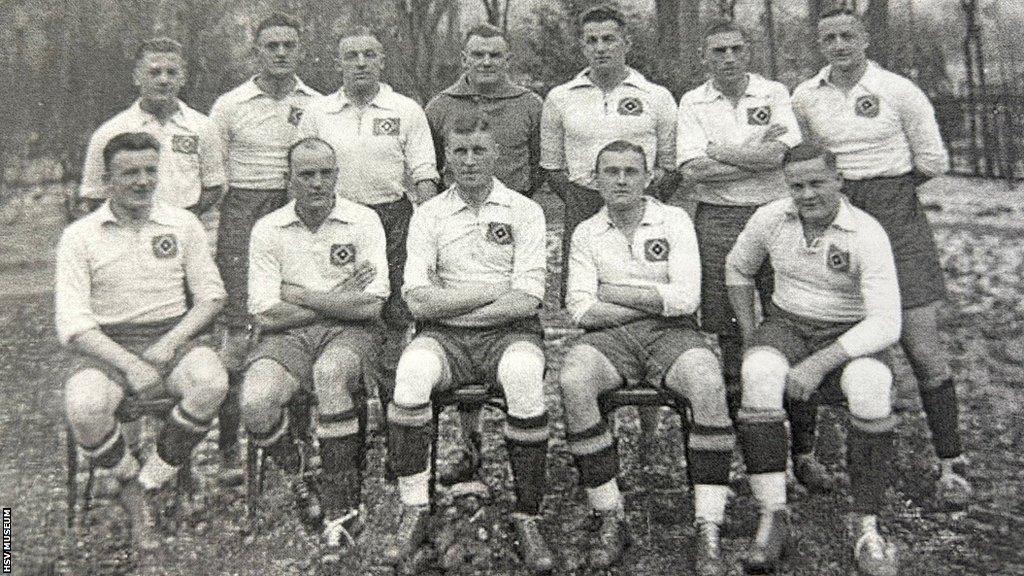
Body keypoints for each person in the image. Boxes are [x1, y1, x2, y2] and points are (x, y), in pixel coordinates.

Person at [792, 7, 971, 509]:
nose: (840, 45)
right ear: (819, 44)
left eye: (848, 35)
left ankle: (951, 464)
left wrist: (886, 196)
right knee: (821, 326)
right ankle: (809, 454)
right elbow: (805, 157)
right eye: (829, 38)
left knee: (920, 346)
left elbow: (934, 160)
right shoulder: (806, 96)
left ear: (865, 38)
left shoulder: (898, 89)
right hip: (837, 218)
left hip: (899, 221)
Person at [382, 113, 553, 572]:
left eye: (480, 151)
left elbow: (530, 297)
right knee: (412, 374)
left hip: (509, 334)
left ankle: (528, 513)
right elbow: (417, 300)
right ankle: (415, 508)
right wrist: (493, 291)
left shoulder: (525, 211)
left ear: (496, 154)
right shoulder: (430, 215)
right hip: (445, 337)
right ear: (446, 158)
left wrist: (451, 301)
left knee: (522, 376)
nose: (470, 161)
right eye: (460, 151)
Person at [559, 140, 735, 575]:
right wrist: (651, 298)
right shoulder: (586, 231)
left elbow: (686, 298)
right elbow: (580, 308)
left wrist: (615, 291)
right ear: (595, 179)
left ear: (648, 176)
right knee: (574, 380)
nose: (621, 179)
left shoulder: (673, 219)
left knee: (708, 382)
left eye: (631, 171)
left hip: (672, 335)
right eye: (611, 171)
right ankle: (609, 514)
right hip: (610, 337)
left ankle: (709, 522)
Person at [727, 143, 902, 576]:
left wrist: (818, 363)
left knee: (869, 385)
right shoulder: (771, 217)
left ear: (838, 180)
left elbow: (886, 323)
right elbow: (737, 267)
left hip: (849, 331)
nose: (806, 194)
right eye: (797, 185)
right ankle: (773, 514)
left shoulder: (867, 232)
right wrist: (752, 333)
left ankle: (868, 526)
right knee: (759, 370)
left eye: (816, 182)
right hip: (788, 324)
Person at [57, 132, 228, 552]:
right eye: (129, 172)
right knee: (84, 405)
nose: (142, 181)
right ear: (107, 179)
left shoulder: (181, 223)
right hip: (107, 346)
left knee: (211, 382)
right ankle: (135, 499)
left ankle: (149, 482)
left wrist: (171, 343)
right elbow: (74, 322)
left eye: (150, 171)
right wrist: (129, 363)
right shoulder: (81, 236)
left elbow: (212, 296)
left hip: (169, 338)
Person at [241, 137, 389, 565]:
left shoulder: (363, 221)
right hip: (286, 339)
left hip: (351, 333)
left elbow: (371, 304)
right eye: (306, 174)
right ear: (289, 179)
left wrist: (301, 293)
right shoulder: (268, 229)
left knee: (330, 375)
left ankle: (340, 508)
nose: (318, 182)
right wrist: (337, 295)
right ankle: (301, 470)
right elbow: (265, 315)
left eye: (326, 172)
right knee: (255, 403)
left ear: (338, 175)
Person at [299, 26, 439, 458]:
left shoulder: (405, 109)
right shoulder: (318, 112)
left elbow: (424, 176)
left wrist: (428, 234)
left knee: (394, 317)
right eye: (352, 55)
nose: (361, 63)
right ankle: (347, 417)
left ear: (382, 60)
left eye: (369, 55)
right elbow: (303, 174)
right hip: (337, 221)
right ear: (337, 63)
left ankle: (396, 418)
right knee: (344, 310)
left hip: (393, 218)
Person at [424, 22, 544, 487]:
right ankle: (469, 443)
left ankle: (521, 449)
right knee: (456, 340)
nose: (486, 63)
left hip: (512, 225)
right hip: (457, 225)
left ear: (507, 57)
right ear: (464, 57)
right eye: (478, 55)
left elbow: (537, 165)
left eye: (496, 54)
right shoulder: (439, 106)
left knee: (512, 336)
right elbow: (435, 168)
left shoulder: (530, 105)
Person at [208, 12, 321, 479]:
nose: (279, 53)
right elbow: (215, 178)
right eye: (270, 45)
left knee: (291, 323)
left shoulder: (315, 104)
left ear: (300, 50)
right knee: (237, 335)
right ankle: (229, 450)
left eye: (288, 45)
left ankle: (299, 438)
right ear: (257, 51)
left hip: (294, 211)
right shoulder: (229, 105)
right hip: (242, 212)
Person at [540, 6, 677, 305]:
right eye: (592, 41)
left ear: (627, 43)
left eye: (609, 39)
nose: (600, 48)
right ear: (583, 46)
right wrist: (586, 196)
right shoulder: (560, 97)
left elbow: (669, 164)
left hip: (642, 203)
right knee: (585, 296)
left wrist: (643, 197)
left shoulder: (656, 96)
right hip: (583, 201)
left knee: (644, 284)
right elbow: (551, 167)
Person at [79, 38, 225, 216]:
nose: (164, 80)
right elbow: (94, 194)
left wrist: (183, 220)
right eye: (154, 72)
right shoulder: (111, 132)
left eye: (171, 72)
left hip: (185, 228)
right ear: (137, 77)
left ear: (183, 78)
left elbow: (214, 185)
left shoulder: (202, 126)